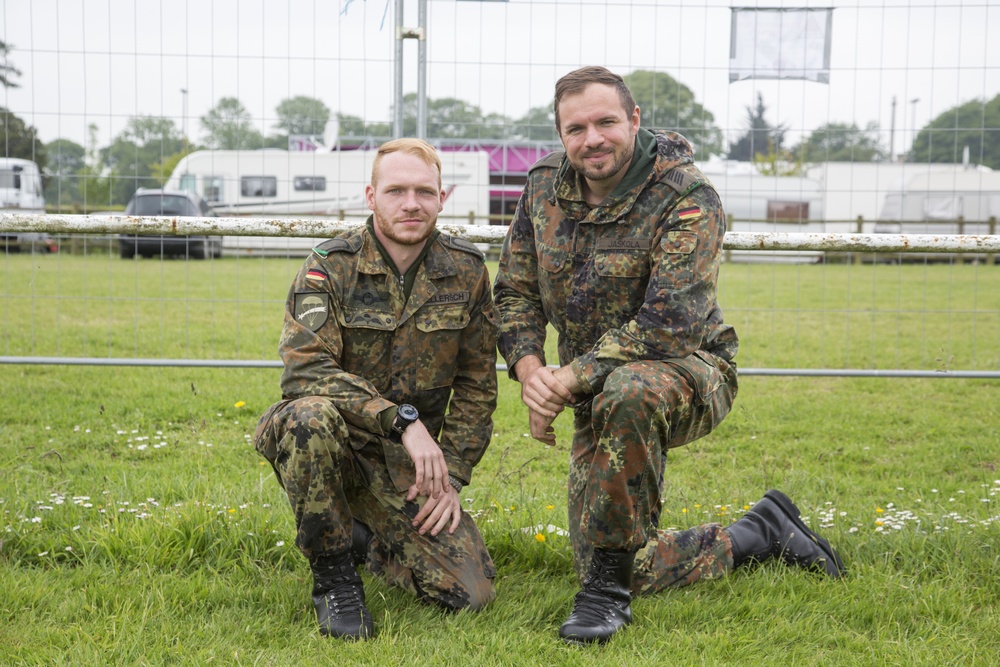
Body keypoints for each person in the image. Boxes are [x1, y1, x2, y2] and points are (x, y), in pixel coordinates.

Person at [494, 66, 843, 645]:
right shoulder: (541, 188)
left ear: (633, 120)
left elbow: (668, 322)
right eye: (575, 128)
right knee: (618, 553)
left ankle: (605, 597)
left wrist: (566, 380)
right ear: (561, 136)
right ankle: (757, 533)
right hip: (590, 387)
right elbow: (514, 291)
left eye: (606, 121)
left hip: (689, 368)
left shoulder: (685, 193)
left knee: (629, 392)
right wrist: (532, 373)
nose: (592, 139)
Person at [254, 138, 499, 641]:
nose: (411, 203)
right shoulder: (330, 266)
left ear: (442, 198)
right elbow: (305, 371)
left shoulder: (467, 271)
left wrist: (451, 476)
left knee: (468, 592)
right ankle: (335, 575)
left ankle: (365, 536)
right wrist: (402, 421)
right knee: (308, 416)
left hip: (408, 468)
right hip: (334, 445)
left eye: (424, 191)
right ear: (371, 196)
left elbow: (478, 385)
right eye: (396, 191)